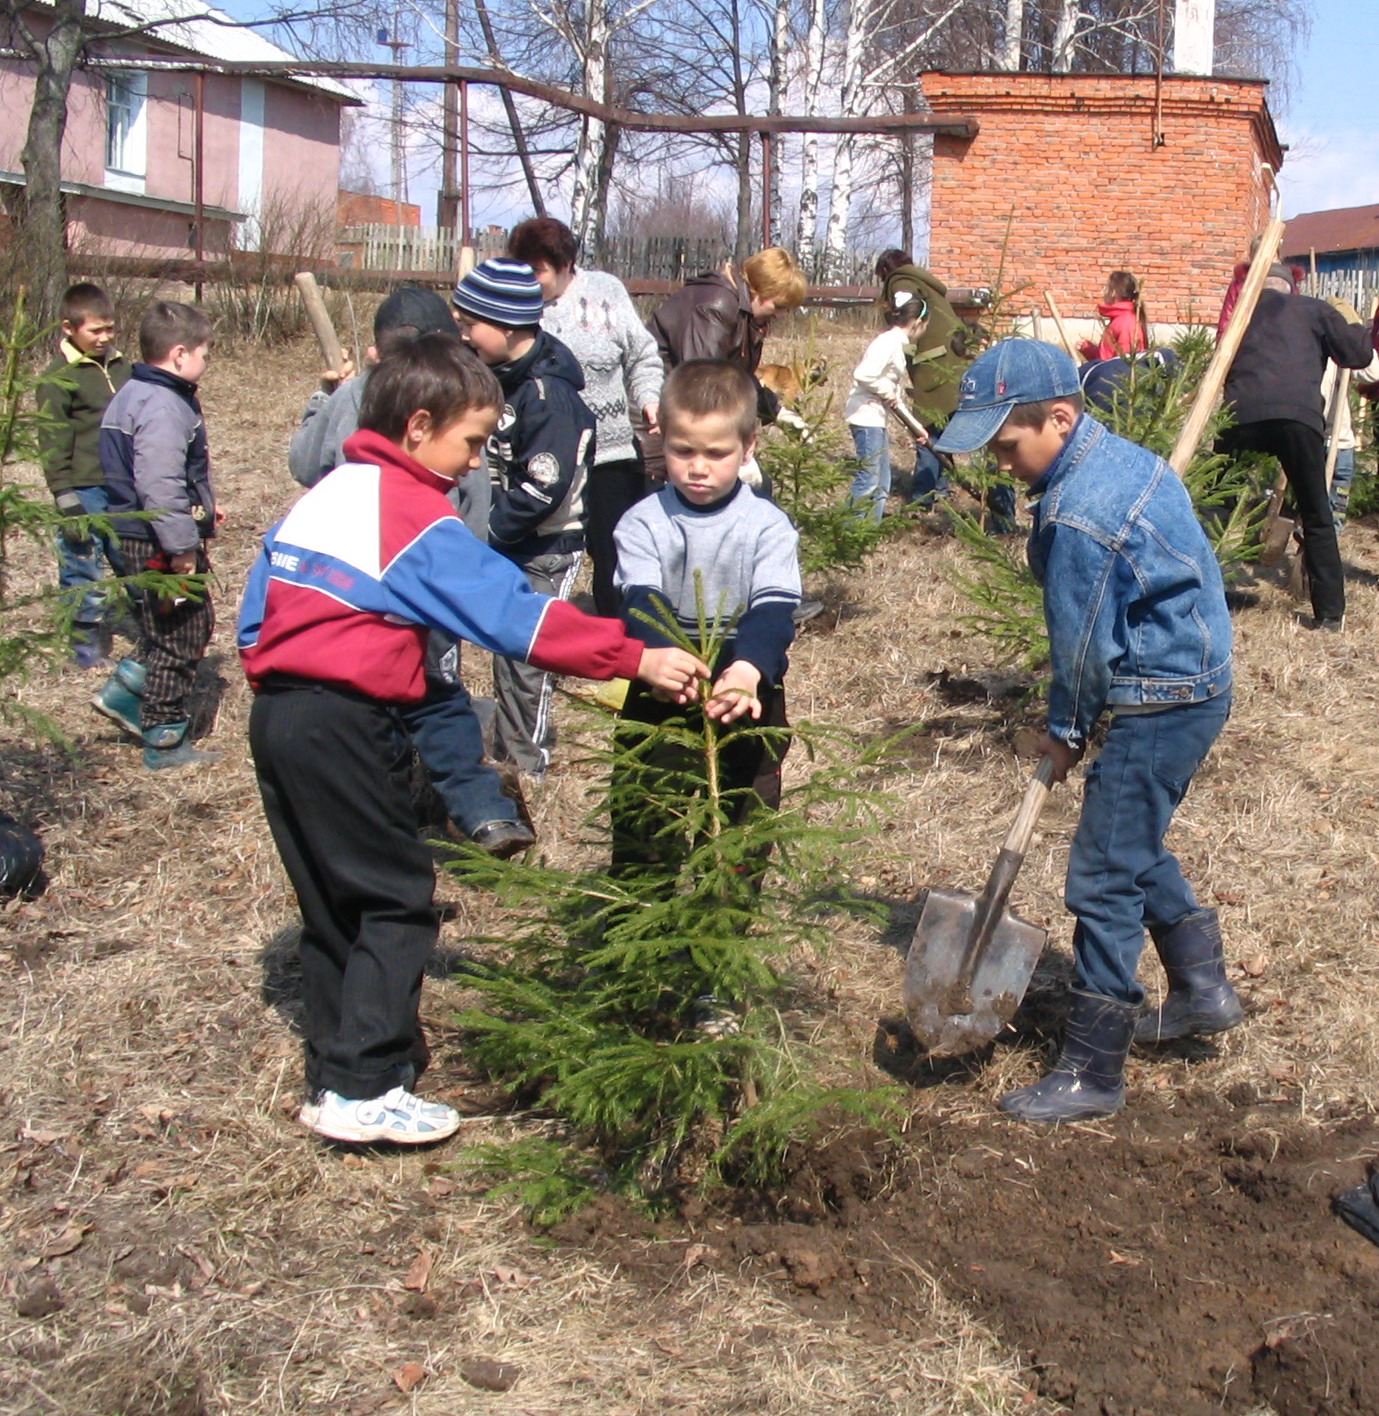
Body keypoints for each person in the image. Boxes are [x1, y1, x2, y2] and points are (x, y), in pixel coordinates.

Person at [238, 333, 708, 1146]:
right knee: (394, 897)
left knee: (331, 900)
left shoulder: (327, 495)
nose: (472, 463)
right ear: (418, 426)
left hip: (279, 716)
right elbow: (512, 615)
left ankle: (335, 1072)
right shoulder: (408, 515)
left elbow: (254, 613)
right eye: (470, 443)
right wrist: (634, 657)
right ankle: (369, 1086)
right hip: (342, 721)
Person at [935, 338, 1237, 1125]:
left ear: (1059, 418)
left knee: (1102, 876)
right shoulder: (1110, 459)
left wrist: (1064, 731)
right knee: (1128, 841)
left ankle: (1093, 1068)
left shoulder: (1078, 512)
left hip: (1159, 695)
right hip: (1194, 679)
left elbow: (1081, 647)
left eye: (1006, 445)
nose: (999, 463)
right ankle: (1202, 991)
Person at [288, 287, 528, 855]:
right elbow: (472, 517)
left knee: (390, 715)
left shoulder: (353, 394)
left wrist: (321, 400)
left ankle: (395, 809)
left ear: (376, 349)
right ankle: (446, 810)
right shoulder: (447, 416)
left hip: (343, 598)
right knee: (435, 700)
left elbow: (304, 464)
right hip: (424, 594)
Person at [611, 359, 799, 893]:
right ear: (661, 438)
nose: (698, 467)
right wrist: (663, 663)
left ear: (749, 447)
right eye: (682, 450)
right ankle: (639, 935)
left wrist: (746, 670)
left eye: (716, 454)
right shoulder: (643, 522)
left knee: (742, 824)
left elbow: (772, 608)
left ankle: (720, 949)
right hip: (661, 692)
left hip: (747, 693)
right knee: (647, 819)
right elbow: (641, 603)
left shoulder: (767, 526)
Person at [451, 257, 596, 779]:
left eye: (470, 326)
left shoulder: (548, 396)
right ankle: (498, 739)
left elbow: (543, 488)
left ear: (509, 325)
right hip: (499, 539)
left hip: (545, 546)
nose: (461, 335)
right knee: (498, 646)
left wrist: (481, 533)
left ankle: (525, 763)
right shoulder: (490, 376)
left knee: (524, 653)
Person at [508, 217, 663, 616]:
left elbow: (642, 354)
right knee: (540, 555)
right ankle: (535, 633)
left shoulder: (605, 292)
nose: (530, 278)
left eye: (538, 270)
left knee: (616, 556)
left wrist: (649, 398)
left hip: (610, 455)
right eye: (523, 268)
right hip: (545, 456)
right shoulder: (516, 304)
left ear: (565, 265)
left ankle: (623, 642)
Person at [93, 300, 220, 771]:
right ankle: (164, 737)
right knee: (183, 630)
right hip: (156, 540)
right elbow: (159, 483)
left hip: (135, 531)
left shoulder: (132, 392)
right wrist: (182, 545)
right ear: (180, 354)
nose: (207, 362)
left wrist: (205, 508)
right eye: (205, 353)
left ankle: (124, 691)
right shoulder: (165, 405)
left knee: (159, 623)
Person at [1217, 266, 1373, 631]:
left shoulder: (1243, 313)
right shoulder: (1312, 308)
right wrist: (1351, 323)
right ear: (1292, 287)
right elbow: (1359, 355)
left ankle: (1216, 590)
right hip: (1298, 418)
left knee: (1218, 507)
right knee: (1317, 512)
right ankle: (1330, 614)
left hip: (1240, 414)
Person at [874, 249, 1011, 526]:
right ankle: (945, 490)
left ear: (885, 272)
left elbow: (904, 314)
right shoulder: (926, 283)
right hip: (953, 366)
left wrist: (899, 346)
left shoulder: (901, 283)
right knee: (947, 430)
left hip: (934, 371)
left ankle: (922, 500)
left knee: (928, 434)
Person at [35, 282, 133, 670]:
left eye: (110, 329)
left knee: (130, 558)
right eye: (95, 330)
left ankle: (150, 623)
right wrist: (65, 495)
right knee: (82, 567)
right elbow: (53, 441)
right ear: (68, 328)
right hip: (83, 488)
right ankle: (84, 646)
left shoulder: (124, 367)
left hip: (123, 485)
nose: (104, 338)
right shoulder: (58, 378)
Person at [645, 247, 808, 477]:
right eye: (779, 306)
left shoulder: (745, 315)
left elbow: (737, 375)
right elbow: (702, 382)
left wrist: (777, 411)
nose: (780, 315)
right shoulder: (716, 306)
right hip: (656, 425)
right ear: (761, 290)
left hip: (679, 424)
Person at [844, 293, 931, 520]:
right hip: (865, 417)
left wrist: (917, 428)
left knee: (883, 482)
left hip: (877, 417)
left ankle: (870, 534)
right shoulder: (888, 343)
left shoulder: (896, 344)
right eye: (925, 326)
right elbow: (863, 374)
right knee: (869, 478)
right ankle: (847, 532)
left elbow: (894, 396)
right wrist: (887, 392)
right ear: (917, 323)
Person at [1076, 270, 1147, 362]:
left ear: (1113, 292)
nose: (1103, 292)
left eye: (1106, 288)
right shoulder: (1119, 319)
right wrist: (1087, 349)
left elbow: (1124, 365)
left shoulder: (1125, 322)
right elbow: (1106, 356)